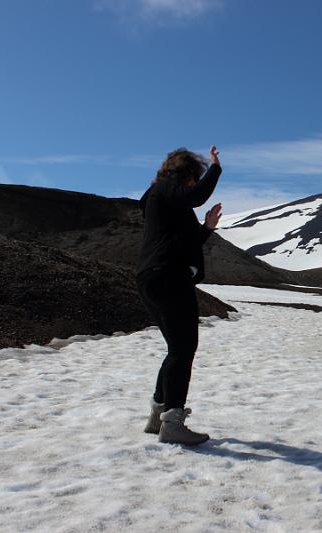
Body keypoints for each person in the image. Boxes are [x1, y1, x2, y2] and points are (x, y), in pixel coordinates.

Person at [136, 145, 223, 446]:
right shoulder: (167, 189)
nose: (193, 184)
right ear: (184, 173)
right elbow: (197, 196)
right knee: (184, 348)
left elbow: (185, 241)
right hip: (169, 277)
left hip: (153, 277)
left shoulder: (163, 201)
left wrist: (207, 228)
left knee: (176, 347)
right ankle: (172, 422)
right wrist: (216, 168)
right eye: (193, 177)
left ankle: (157, 414)